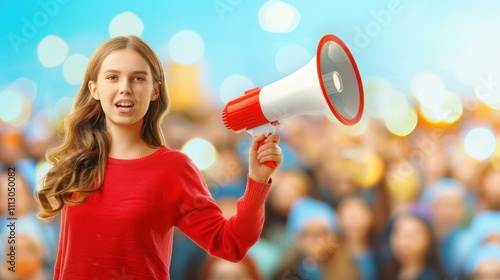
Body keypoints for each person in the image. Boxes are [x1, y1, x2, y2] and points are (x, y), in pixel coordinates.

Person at [35, 35, 283, 279]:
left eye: (138, 78)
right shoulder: (77, 164)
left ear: (155, 90)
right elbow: (66, 263)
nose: (125, 88)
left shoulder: (173, 169)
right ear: (95, 89)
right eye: (113, 77)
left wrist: (257, 181)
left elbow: (230, 243)